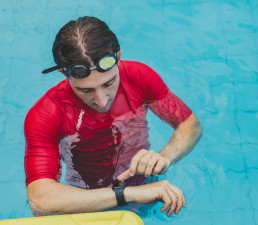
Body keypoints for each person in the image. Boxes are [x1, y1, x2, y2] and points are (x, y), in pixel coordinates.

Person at [24, 16, 202, 217]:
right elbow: (39, 199)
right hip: (90, 206)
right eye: (86, 90)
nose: (101, 101)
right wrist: (126, 194)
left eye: (109, 84)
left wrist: (164, 158)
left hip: (151, 191)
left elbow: (190, 125)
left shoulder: (139, 77)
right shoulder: (48, 113)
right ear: (64, 74)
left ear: (118, 59)